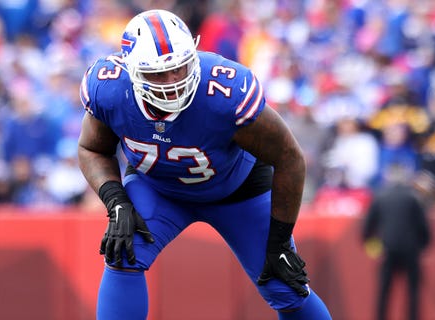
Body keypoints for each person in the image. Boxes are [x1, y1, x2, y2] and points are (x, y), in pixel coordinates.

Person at [77, 9, 331, 320]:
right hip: (157, 188)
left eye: (180, 68)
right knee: (123, 251)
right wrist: (116, 202)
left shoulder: (224, 91)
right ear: (132, 71)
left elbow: (289, 157)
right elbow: (91, 148)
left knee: (284, 284)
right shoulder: (111, 89)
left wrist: (279, 239)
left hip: (237, 191)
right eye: (158, 73)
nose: (172, 82)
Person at [362, 165, 432, 320]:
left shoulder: (380, 196)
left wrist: (374, 249)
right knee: (413, 291)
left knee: (384, 292)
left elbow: (367, 229)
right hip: (410, 250)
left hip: (387, 249)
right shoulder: (413, 197)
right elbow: (423, 226)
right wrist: (424, 247)